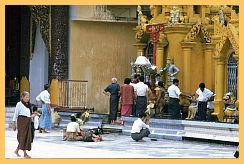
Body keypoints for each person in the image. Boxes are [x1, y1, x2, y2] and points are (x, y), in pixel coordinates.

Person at [13, 91, 35, 158]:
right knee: (23, 137)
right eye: (26, 97)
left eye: (28, 97)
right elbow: (16, 114)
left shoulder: (28, 104)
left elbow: (28, 114)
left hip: (28, 122)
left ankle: (17, 150)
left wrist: (33, 115)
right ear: (22, 97)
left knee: (27, 137)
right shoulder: (19, 104)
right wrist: (14, 123)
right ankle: (25, 154)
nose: (28, 98)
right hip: (22, 122)